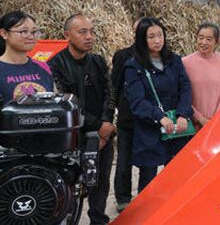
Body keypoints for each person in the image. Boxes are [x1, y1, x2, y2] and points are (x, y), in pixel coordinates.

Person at [49, 14, 115, 225]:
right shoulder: (54, 65)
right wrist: (97, 126)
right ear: (67, 35)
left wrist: (105, 125)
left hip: (102, 134)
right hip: (72, 137)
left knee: (100, 181)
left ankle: (98, 220)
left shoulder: (98, 61)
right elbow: (63, 105)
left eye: (91, 31)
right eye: (82, 32)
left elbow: (110, 94)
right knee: (70, 185)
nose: (89, 37)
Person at [124, 17, 193, 191]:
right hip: (150, 130)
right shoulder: (134, 66)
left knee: (177, 176)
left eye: (160, 35)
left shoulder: (174, 60)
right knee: (148, 181)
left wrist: (183, 114)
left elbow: (185, 87)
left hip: (177, 128)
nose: (157, 40)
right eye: (151, 36)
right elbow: (137, 100)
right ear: (141, 39)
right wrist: (159, 117)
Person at [111, 19, 140, 213]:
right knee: (124, 160)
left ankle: (147, 194)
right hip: (128, 118)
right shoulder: (123, 56)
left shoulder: (160, 56)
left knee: (149, 161)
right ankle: (123, 198)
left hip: (151, 119)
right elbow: (115, 85)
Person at [182, 22, 220, 128]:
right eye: (200, 38)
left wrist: (215, 120)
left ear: (217, 42)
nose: (203, 42)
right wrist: (199, 118)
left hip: (216, 124)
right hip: (191, 123)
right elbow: (181, 95)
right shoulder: (184, 63)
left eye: (209, 39)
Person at [0, 11, 53, 105]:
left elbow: (54, 102)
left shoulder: (42, 66)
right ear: (4, 33)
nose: (31, 37)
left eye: (34, 32)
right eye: (24, 32)